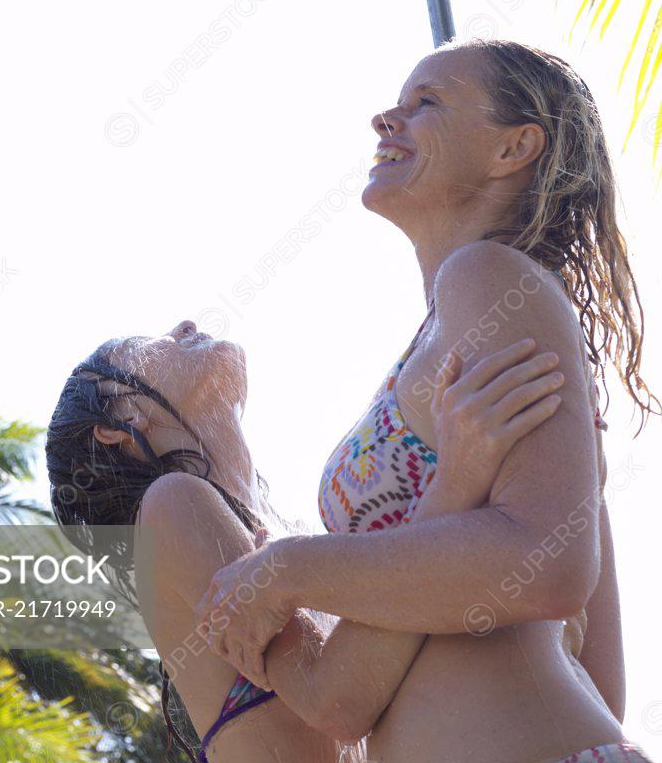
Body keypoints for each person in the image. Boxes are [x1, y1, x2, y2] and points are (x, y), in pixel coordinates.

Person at [196, 39, 658, 763]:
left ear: (513, 147)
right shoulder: (473, 316)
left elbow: (550, 561)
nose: (386, 119)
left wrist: (288, 570)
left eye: (426, 103)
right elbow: (594, 676)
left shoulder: (490, 276)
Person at [46, 316, 570, 762]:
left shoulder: (283, 537)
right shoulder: (171, 503)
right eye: (143, 349)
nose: (182, 326)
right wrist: (459, 475)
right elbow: (340, 701)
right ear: (121, 423)